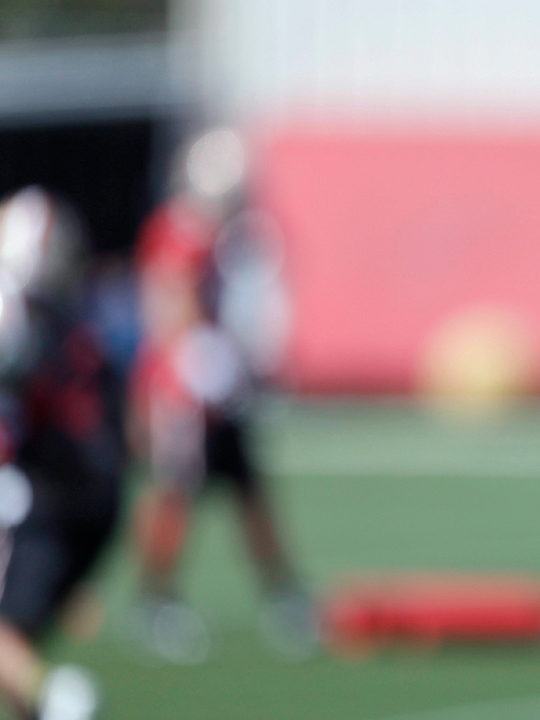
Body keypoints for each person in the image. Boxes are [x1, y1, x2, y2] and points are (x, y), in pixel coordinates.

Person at [129, 127, 313, 664]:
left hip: (216, 384)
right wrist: (197, 367)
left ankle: (283, 594)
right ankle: (155, 600)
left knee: (249, 492)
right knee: (176, 493)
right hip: (183, 388)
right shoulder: (180, 231)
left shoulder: (223, 234)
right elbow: (170, 307)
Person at [0, 186, 125, 720]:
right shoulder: (75, 318)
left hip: (43, 494)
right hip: (94, 495)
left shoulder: (20, 312)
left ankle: (58, 702)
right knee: (16, 643)